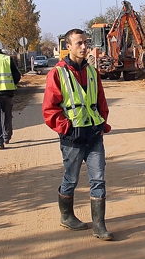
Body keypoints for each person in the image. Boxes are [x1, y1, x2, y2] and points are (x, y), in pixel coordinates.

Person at [42, 28, 113, 240]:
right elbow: (49, 109)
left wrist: (102, 125)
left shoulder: (92, 72)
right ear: (68, 47)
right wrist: (67, 128)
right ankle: (66, 216)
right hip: (72, 138)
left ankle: (99, 226)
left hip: (93, 135)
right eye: (79, 43)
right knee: (71, 179)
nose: (84, 47)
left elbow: (101, 102)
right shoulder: (57, 73)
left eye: (85, 42)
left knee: (98, 179)